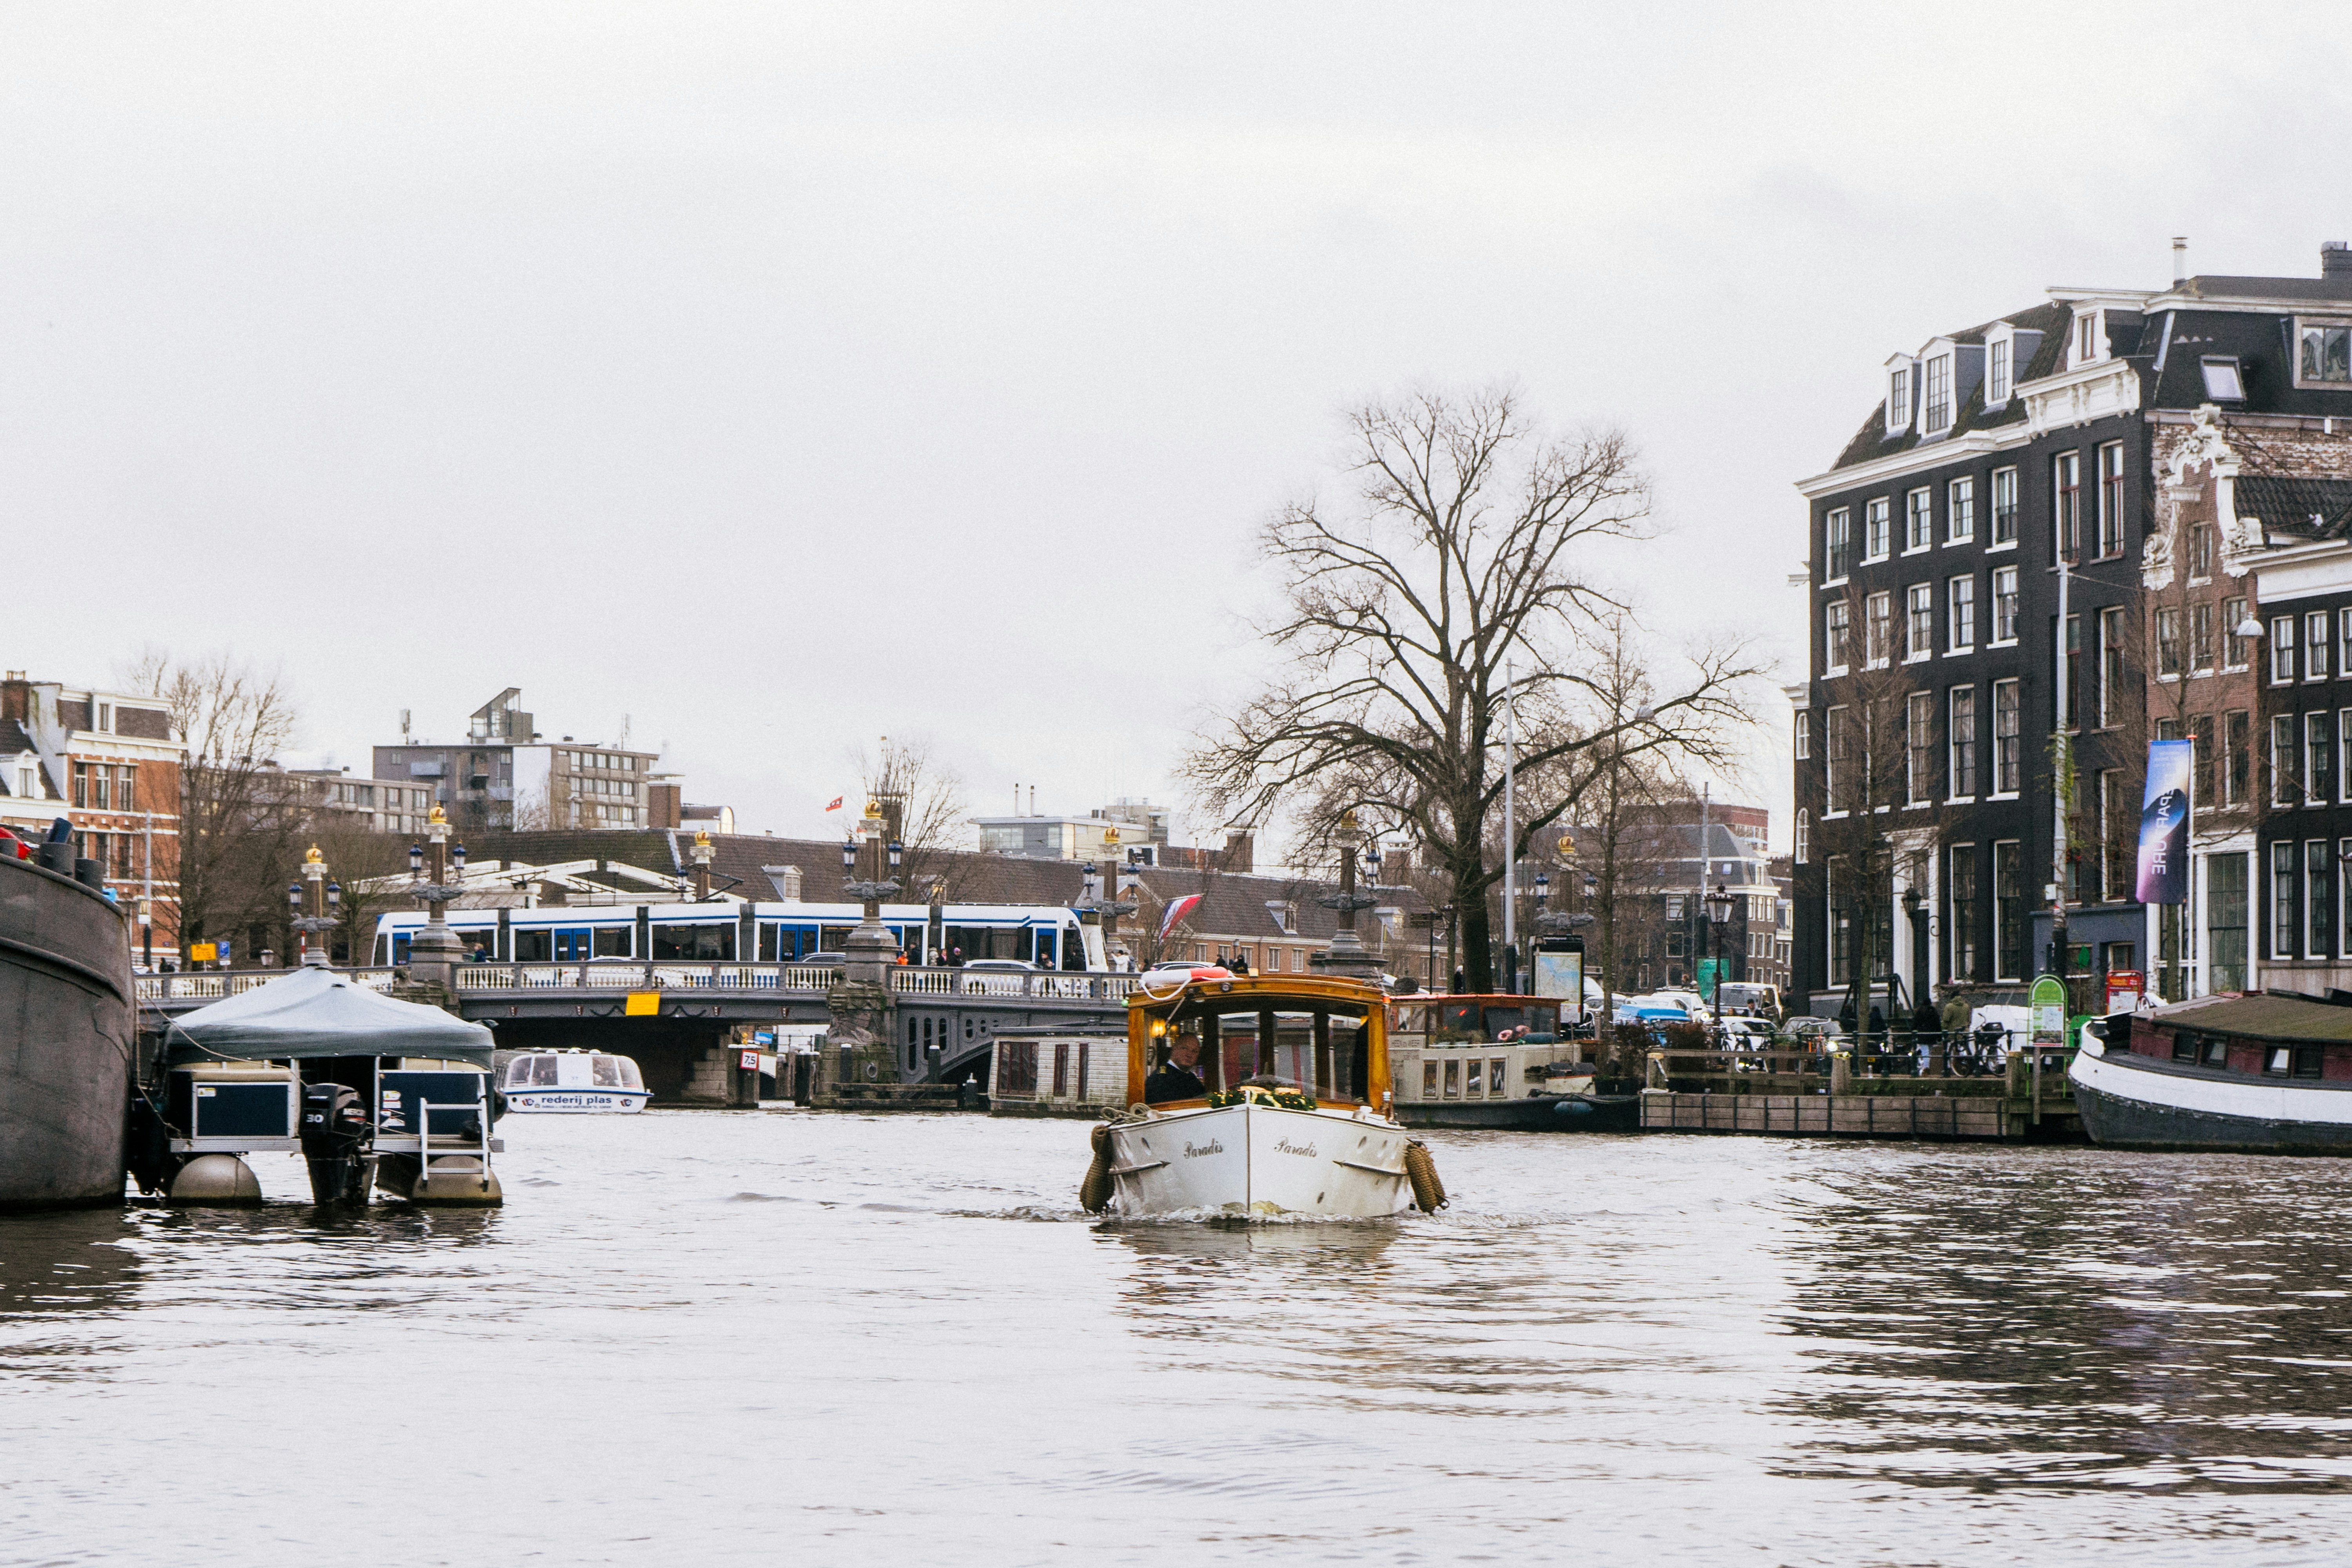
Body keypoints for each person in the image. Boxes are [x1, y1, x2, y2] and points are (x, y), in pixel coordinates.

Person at [1144, 1033, 1208, 1104]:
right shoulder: (1160, 1078)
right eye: (1185, 1048)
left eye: (1195, 1051)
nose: (1189, 1055)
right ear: (1175, 1048)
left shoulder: (1193, 1080)